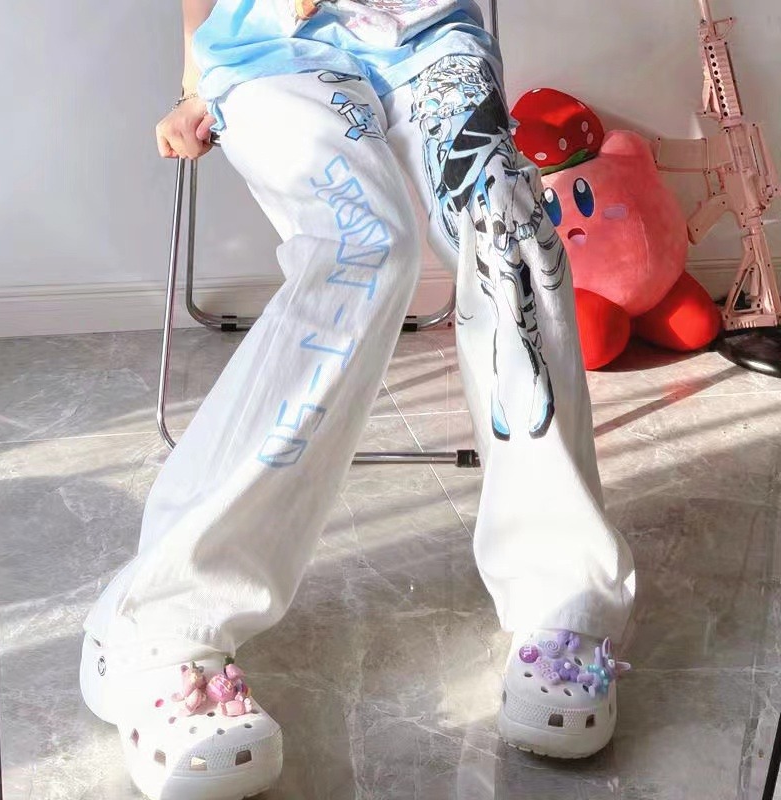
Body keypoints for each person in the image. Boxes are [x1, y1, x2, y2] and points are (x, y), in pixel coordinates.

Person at [79, 1, 636, 797]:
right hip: (273, 42)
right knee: (365, 244)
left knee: (505, 223)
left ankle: (563, 600)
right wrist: (195, 78)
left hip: (430, 33)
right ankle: (158, 626)